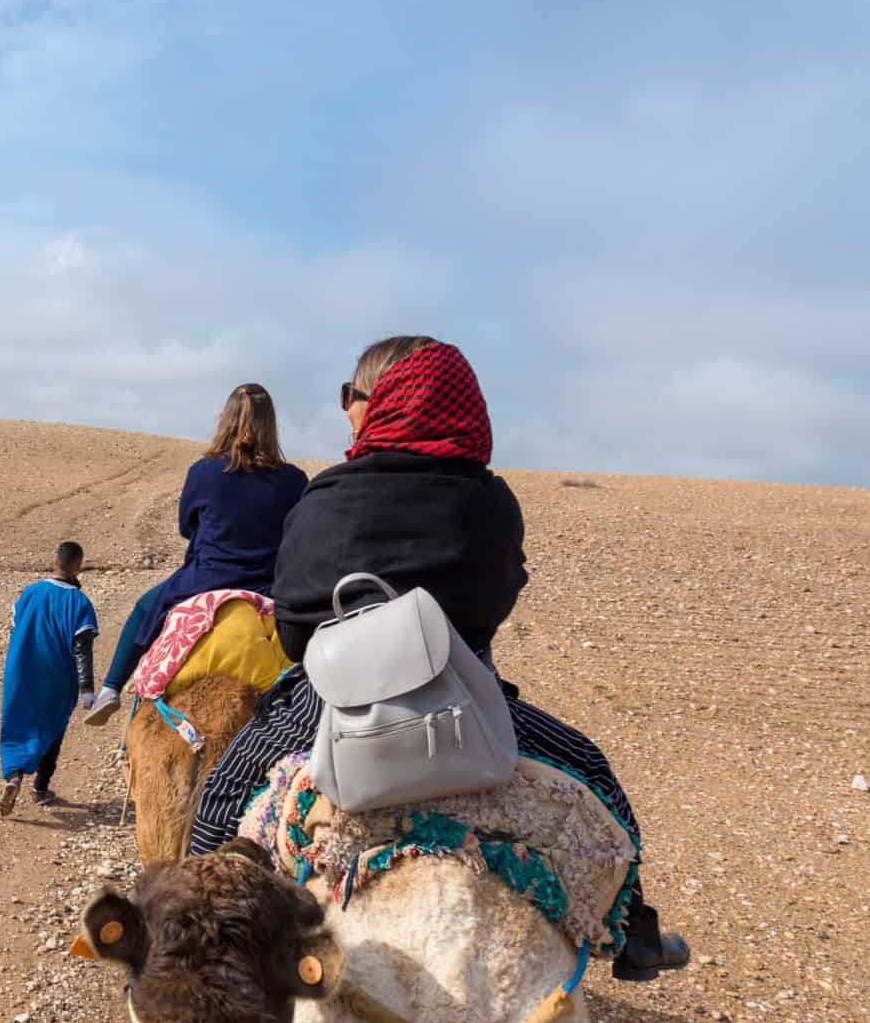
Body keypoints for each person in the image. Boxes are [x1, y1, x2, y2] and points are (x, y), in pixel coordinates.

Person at [188, 337, 689, 982]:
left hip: (329, 704)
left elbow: (292, 629)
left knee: (220, 798)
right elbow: (496, 602)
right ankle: (637, 933)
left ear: (380, 402)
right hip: (464, 696)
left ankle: (196, 948)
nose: (347, 410)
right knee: (592, 771)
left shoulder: (325, 496)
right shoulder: (489, 500)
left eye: (353, 398)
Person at [84, 384, 308, 726]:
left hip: (206, 579)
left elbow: (187, 527)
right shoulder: (293, 480)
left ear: (225, 420)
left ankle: (111, 688)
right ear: (270, 425)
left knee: (146, 606)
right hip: (269, 586)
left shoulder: (203, 472)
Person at [0, 541, 100, 814]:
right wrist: (87, 690)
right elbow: (82, 648)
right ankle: (40, 787)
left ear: (54, 560)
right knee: (52, 727)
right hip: (57, 677)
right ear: (78, 566)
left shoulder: (29, 593)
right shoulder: (79, 602)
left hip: (21, 670)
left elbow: (16, 630)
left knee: (18, 724)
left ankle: (14, 776)